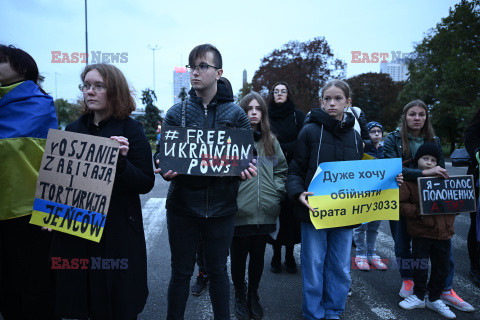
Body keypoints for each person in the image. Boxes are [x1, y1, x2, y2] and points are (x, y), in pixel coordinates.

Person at [153, 44, 257, 320]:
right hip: (182, 207)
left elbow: (250, 156)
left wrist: (247, 168)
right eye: (192, 67)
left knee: (219, 272)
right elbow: (162, 153)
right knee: (180, 273)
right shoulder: (176, 113)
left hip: (222, 207)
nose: (195, 72)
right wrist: (162, 166)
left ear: (219, 72)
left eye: (202, 66)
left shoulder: (236, 114)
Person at [49, 63, 155, 320]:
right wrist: (50, 210)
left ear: (114, 90)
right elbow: (61, 180)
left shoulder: (132, 129)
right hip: (77, 232)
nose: (90, 92)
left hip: (117, 233)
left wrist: (121, 163)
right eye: (86, 86)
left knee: (117, 301)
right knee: (81, 299)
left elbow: (145, 182)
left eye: (98, 86)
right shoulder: (73, 129)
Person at [384, 99, 474, 312]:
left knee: (443, 245)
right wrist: (423, 173)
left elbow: (440, 172)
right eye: (412, 114)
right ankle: (409, 280)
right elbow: (391, 169)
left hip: (430, 201)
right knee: (403, 245)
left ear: (426, 118)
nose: (417, 118)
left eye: (421, 114)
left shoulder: (434, 139)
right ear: (405, 117)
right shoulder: (393, 139)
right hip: (404, 199)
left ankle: (445, 289)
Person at [287, 80, 364, 320]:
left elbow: (363, 176)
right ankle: (313, 313)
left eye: (338, 98)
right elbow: (295, 169)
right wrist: (297, 192)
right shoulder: (309, 131)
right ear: (321, 102)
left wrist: (391, 181)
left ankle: (333, 311)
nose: (332, 103)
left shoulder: (355, 138)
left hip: (344, 213)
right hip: (314, 212)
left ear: (348, 103)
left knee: (340, 267)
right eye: (327, 99)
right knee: (313, 265)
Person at [0, 45, 58, 319]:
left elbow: (57, 165)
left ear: (22, 68)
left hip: (30, 214)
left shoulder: (40, 105)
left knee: (34, 289)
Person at [231, 92, 287, 320]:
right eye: (249, 108)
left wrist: (276, 191)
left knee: (257, 256)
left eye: (258, 108)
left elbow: (281, 170)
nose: (254, 112)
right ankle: (239, 294)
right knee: (237, 257)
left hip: (265, 211)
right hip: (238, 212)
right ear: (242, 112)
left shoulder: (270, 142)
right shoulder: (232, 141)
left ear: (263, 113)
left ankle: (253, 294)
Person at [398, 142, 456, 319]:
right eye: (425, 159)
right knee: (419, 265)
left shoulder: (446, 181)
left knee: (441, 267)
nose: (429, 163)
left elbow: (458, 202)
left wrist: (456, 208)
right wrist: (418, 212)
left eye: (433, 160)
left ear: (438, 163)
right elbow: (401, 204)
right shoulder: (410, 182)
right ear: (417, 161)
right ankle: (418, 295)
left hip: (443, 234)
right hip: (421, 233)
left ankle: (435, 298)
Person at [190, 76, 234, 298]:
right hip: (194, 196)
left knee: (218, 251)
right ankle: (202, 273)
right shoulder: (190, 113)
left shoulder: (234, 116)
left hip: (223, 198)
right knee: (199, 244)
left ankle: (216, 273)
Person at [267, 81, 305, 274]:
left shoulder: (298, 116)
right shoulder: (266, 115)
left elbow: (303, 140)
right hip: (271, 170)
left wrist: (284, 149)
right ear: (272, 95)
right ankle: (275, 254)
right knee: (276, 213)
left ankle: (289, 254)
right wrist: (282, 150)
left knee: (291, 216)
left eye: (283, 91)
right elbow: (265, 139)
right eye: (276, 91)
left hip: (293, 171)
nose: (279, 94)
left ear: (288, 94)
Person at [353, 121, 388, 271]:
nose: (376, 134)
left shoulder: (385, 148)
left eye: (378, 132)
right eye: (373, 132)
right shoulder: (363, 146)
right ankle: (360, 254)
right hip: (363, 193)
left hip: (379, 194)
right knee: (361, 226)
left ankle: (372, 254)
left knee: (374, 226)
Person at [463, 107, 480, 288]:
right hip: (478, 178)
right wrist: (477, 152)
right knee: (477, 223)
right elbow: (470, 136)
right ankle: (476, 266)